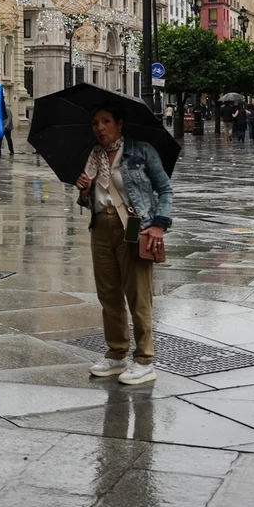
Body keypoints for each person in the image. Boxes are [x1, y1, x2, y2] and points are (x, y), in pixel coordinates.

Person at [75, 102, 173, 385]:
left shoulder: (141, 150)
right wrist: (84, 189)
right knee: (108, 294)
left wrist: (158, 225)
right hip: (101, 227)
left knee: (138, 294)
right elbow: (88, 200)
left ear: (120, 124)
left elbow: (165, 189)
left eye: (105, 121)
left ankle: (144, 359)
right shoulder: (93, 156)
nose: (100, 128)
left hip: (134, 226)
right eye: (95, 123)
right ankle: (116, 353)